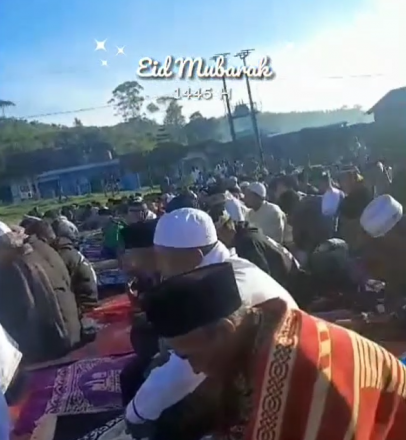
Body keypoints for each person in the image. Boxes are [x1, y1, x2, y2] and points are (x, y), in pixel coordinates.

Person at [143, 262, 406, 440]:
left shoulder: (283, 375)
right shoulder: (264, 323)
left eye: (190, 356)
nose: (194, 369)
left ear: (223, 331)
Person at [125, 208, 297, 433]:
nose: (159, 267)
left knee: (170, 418)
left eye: (163, 258)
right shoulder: (224, 270)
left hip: (279, 380)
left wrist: (135, 413)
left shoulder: (227, 290)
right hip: (251, 365)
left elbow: (184, 370)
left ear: (194, 257)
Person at [0, 221, 81, 362]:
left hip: (52, 345)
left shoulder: (14, 268)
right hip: (67, 332)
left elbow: (25, 316)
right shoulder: (31, 253)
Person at [211, 209, 301, 293]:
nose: (220, 242)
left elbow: (262, 277)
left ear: (228, 229)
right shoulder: (244, 230)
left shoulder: (247, 243)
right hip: (288, 270)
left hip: (289, 280)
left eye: (219, 236)